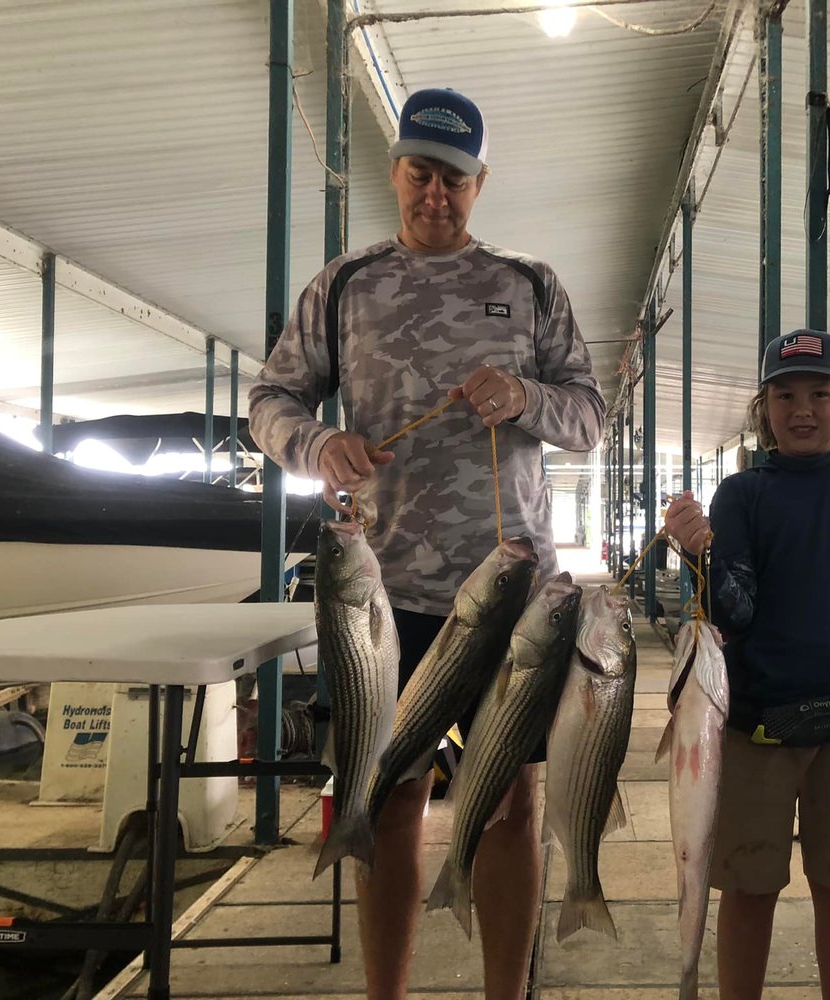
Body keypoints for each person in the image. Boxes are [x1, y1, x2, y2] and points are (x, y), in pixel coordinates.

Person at [248, 87, 605, 1000]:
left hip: (513, 595)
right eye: (419, 174)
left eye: (453, 178)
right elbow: (270, 401)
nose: (435, 194)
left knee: (510, 802)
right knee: (387, 797)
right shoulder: (345, 284)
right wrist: (317, 445)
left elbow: (588, 416)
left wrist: (525, 398)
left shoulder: (529, 284)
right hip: (382, 593)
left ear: (480, 183)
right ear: (395, 172)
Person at [663, 328, 830, 1000]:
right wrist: (697, 558)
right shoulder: (742, 493)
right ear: (764, 409)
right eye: (784, 396)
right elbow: (734, 612)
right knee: (748, 887)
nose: (803, 409)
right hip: (754, 725)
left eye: (820, 393)